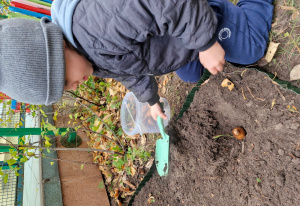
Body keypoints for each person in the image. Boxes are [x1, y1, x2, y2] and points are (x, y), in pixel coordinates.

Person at [0, 0, 274, 121]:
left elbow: (169, 4)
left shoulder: (99, 24)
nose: (73, 87)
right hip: (174, 36)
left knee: (251, 49)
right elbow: (127, 72)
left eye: (64, 81)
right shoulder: (84, 56)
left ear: (57, 47)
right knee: (191, 75)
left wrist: (205, 42)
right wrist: (151, 101)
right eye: (65, 90)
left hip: (187, 13)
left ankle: (238, 9)